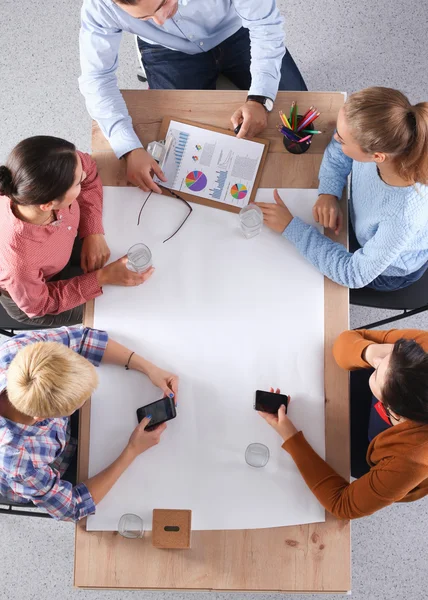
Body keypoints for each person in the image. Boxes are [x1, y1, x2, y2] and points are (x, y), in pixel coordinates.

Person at [79, 0, 307, 194]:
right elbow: (96, 78)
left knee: (301, 118)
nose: (160, 20)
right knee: (177, 147)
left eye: (164, 2)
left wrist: (260, 98)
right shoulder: (99, 6)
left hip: (238, 30)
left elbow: (265, 24)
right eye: (145, 18)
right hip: (167, 50)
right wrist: (127, 147)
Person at [256, 87, 428, 291]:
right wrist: (329, 192)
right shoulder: (388, 143)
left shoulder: (402, 217)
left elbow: (353, 274)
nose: (336, 139)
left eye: (343, 139)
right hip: (364, 226)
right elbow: (339, 149)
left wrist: (290, 228)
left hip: (386, 270)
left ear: (377, 156)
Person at [0, 325, 178, 521]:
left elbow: (84, 339)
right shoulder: (19, 464)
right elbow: (73, 507)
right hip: (50, 471)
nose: (86, 400)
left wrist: (149, 368)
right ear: (44, 418)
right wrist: (132, 450)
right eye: (80, 402)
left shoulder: (22, 351)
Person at [259, 328, 428, 519]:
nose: (380, 361)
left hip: (376, 453)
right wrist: (369, 352)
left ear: (392, 411)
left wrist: (289, 436)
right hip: (390, 403)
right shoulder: (419, 350)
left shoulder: (411, 461)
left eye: (378, 372)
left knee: (339, 458)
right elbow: (346, 339)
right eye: (389, 354)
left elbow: (342, 504)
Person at [0, 136, 154, 327]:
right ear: (49, 205)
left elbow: (88, 170)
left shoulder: (58, 166)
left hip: (59, 250)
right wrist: (102, 278)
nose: (84, 177)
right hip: (37, 300)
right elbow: (41, 305)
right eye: (77, 183)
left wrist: (93, 231)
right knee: (114, 306)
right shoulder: (19, 263)